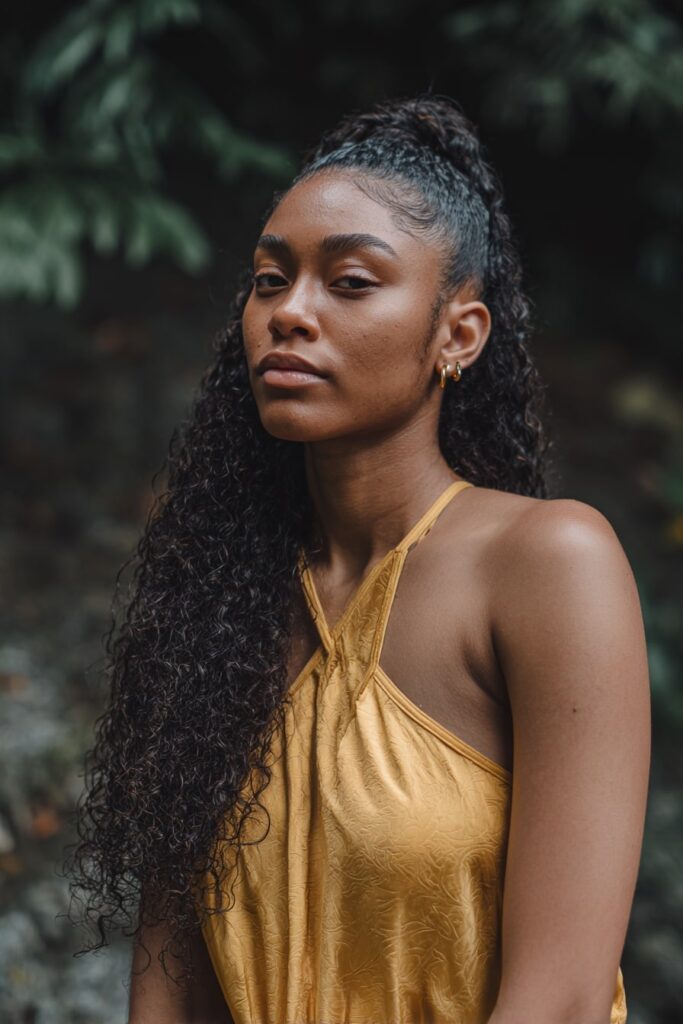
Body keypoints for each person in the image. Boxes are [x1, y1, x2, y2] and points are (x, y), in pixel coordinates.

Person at [67, 93, 651, 1024]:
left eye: (349, 282)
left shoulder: (546, 564)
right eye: (268, 279)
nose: (289, 313)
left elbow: (565, 996)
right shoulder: (214, 614)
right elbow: (168, 1002)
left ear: (457, 335)